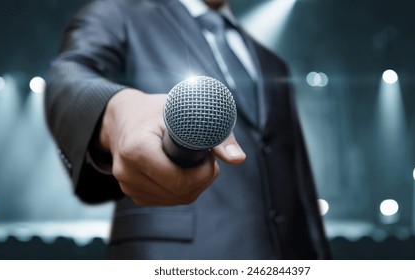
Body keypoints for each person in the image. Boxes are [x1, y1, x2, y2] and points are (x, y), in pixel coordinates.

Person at [45, 0, 331, 259]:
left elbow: (299, 179)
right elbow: (68, 78)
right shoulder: (120, 12)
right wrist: (115, 112)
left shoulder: (272, 63)